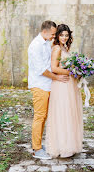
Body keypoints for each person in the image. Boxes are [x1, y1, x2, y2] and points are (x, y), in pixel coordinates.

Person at [28, 20, 69, 160]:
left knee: (44, 116)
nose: (54, 36)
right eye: (52, 34)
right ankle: (36, 149)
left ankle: (38, 144)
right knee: (39, 116)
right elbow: (41, 70)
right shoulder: (35, 46)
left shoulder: (46, 43)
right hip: (39, 85)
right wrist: (56, 78)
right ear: (44, 32)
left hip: (47, 84)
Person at [45, 24, 83, 158]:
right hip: (61, 84)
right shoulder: (56, 48)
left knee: (70, 113)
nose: (64, 37)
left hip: (69, 84)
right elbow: (54, 68)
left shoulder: (65, 47)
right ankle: (61, 146)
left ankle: (69, 144)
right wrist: (72, 72)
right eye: (61, 35)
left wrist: (77, 72)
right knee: (62, 113)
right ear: (57, 36)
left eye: (66, 35)